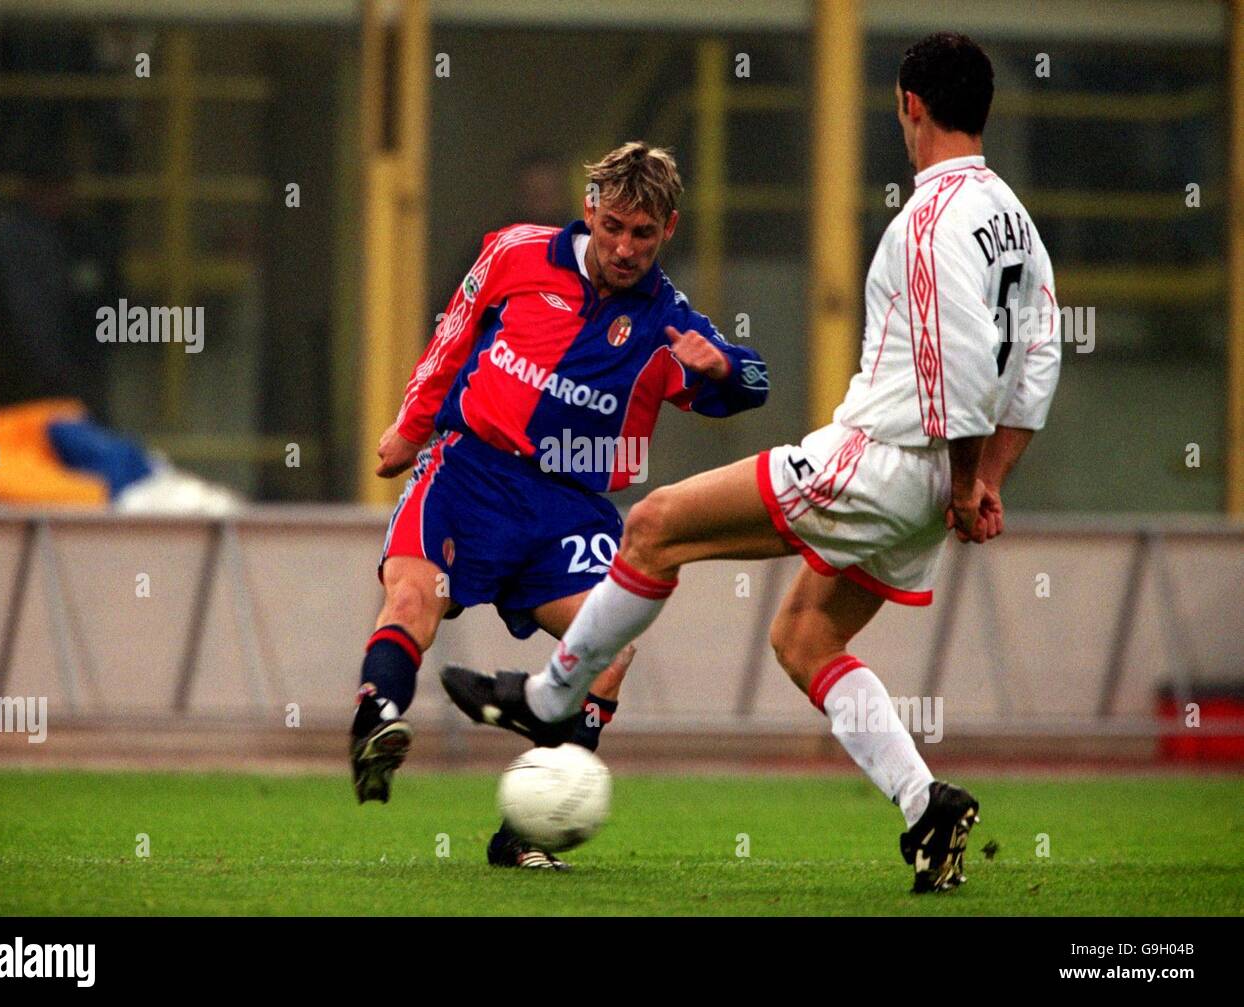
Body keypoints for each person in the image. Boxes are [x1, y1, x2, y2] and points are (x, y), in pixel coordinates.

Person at [442, 33, 1061, 893]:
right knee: (806, 635)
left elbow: (951, 368)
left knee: (654, 526)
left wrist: (967, 481)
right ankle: (927, 807)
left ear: (906, 106)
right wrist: (988, 476)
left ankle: (548, 698)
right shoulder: (1016, 225)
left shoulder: (927, 222)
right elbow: (1037, 365)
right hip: (928, 482)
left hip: (880, 459)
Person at [353, 142, 771, 868]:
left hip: (566, 509)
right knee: (413, 595)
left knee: (608, 652)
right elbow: (452, 336)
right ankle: (376, 722)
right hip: (469, 471)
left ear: (668, 229)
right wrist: (409, 426)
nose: (624, 247)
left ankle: (526, 835)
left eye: (643, 233)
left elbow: (748, 381)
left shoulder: (665, 320)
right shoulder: (516, 253)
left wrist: (730, 367)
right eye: (613, 225)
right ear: (589, 211)